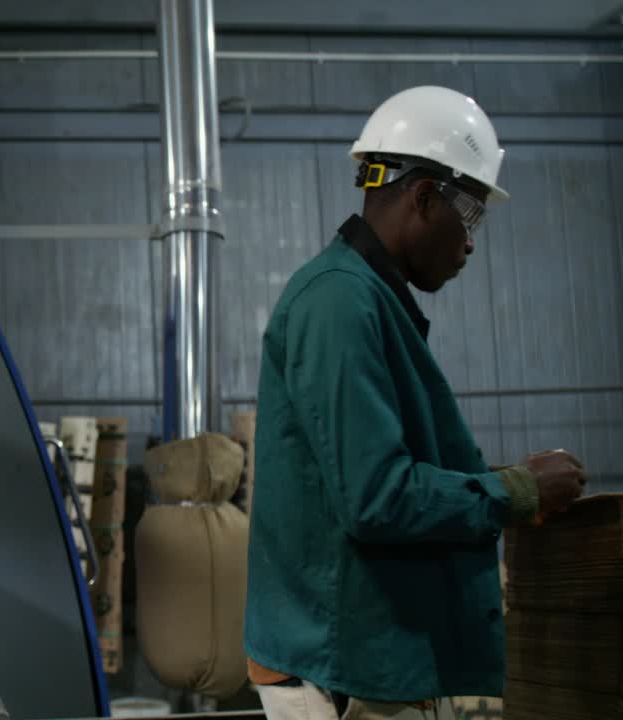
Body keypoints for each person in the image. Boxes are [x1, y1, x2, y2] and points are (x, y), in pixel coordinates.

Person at [243, 86, 588, 720]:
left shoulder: (368, 302)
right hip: (340, 670)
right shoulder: (339, 302)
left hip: (369, 659)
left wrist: (502, 486)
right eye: (473, 216)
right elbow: (378, 498)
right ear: (426, 197)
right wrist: (514, 491)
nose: (473, 243)